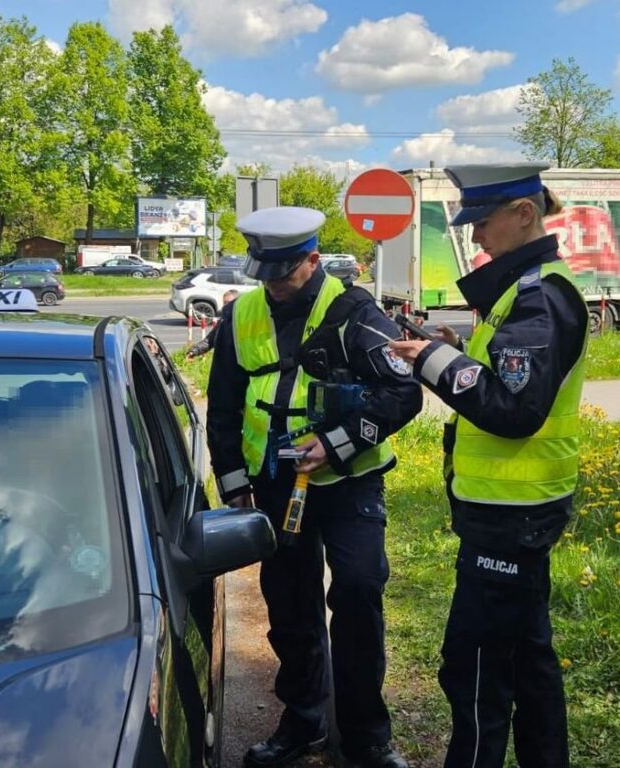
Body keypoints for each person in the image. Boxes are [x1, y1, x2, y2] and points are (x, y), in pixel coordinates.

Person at [206, 206, 422, 768]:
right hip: (276, 486)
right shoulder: (243, 313)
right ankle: (303, 720)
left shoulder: (355, 312)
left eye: (284, 273)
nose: (273, 286)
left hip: (349, 483)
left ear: (312, 259)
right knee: (290, 605)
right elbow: (224, 408)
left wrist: (337, 444)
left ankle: (367, 737)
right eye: (265, 274)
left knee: (356, 593)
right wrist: (235, 488)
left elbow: (404, 395)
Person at [388, 163, 589, 768]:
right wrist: (448, 347)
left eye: (482, 221)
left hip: (512, 516)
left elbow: (515, 409)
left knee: (475, 667)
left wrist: (434, 363)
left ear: (524, 214)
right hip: (510, 513)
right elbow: (502, 375)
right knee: (527, 660)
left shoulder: (539, 296)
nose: (475, 237)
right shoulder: (522, 290)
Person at [186, 288, 239, 358]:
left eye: (229, 303)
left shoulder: (243, 321)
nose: (226, 306)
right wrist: (194, 351)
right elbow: (209, 340)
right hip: (224, 363)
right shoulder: (222, 322)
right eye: (224, 303)